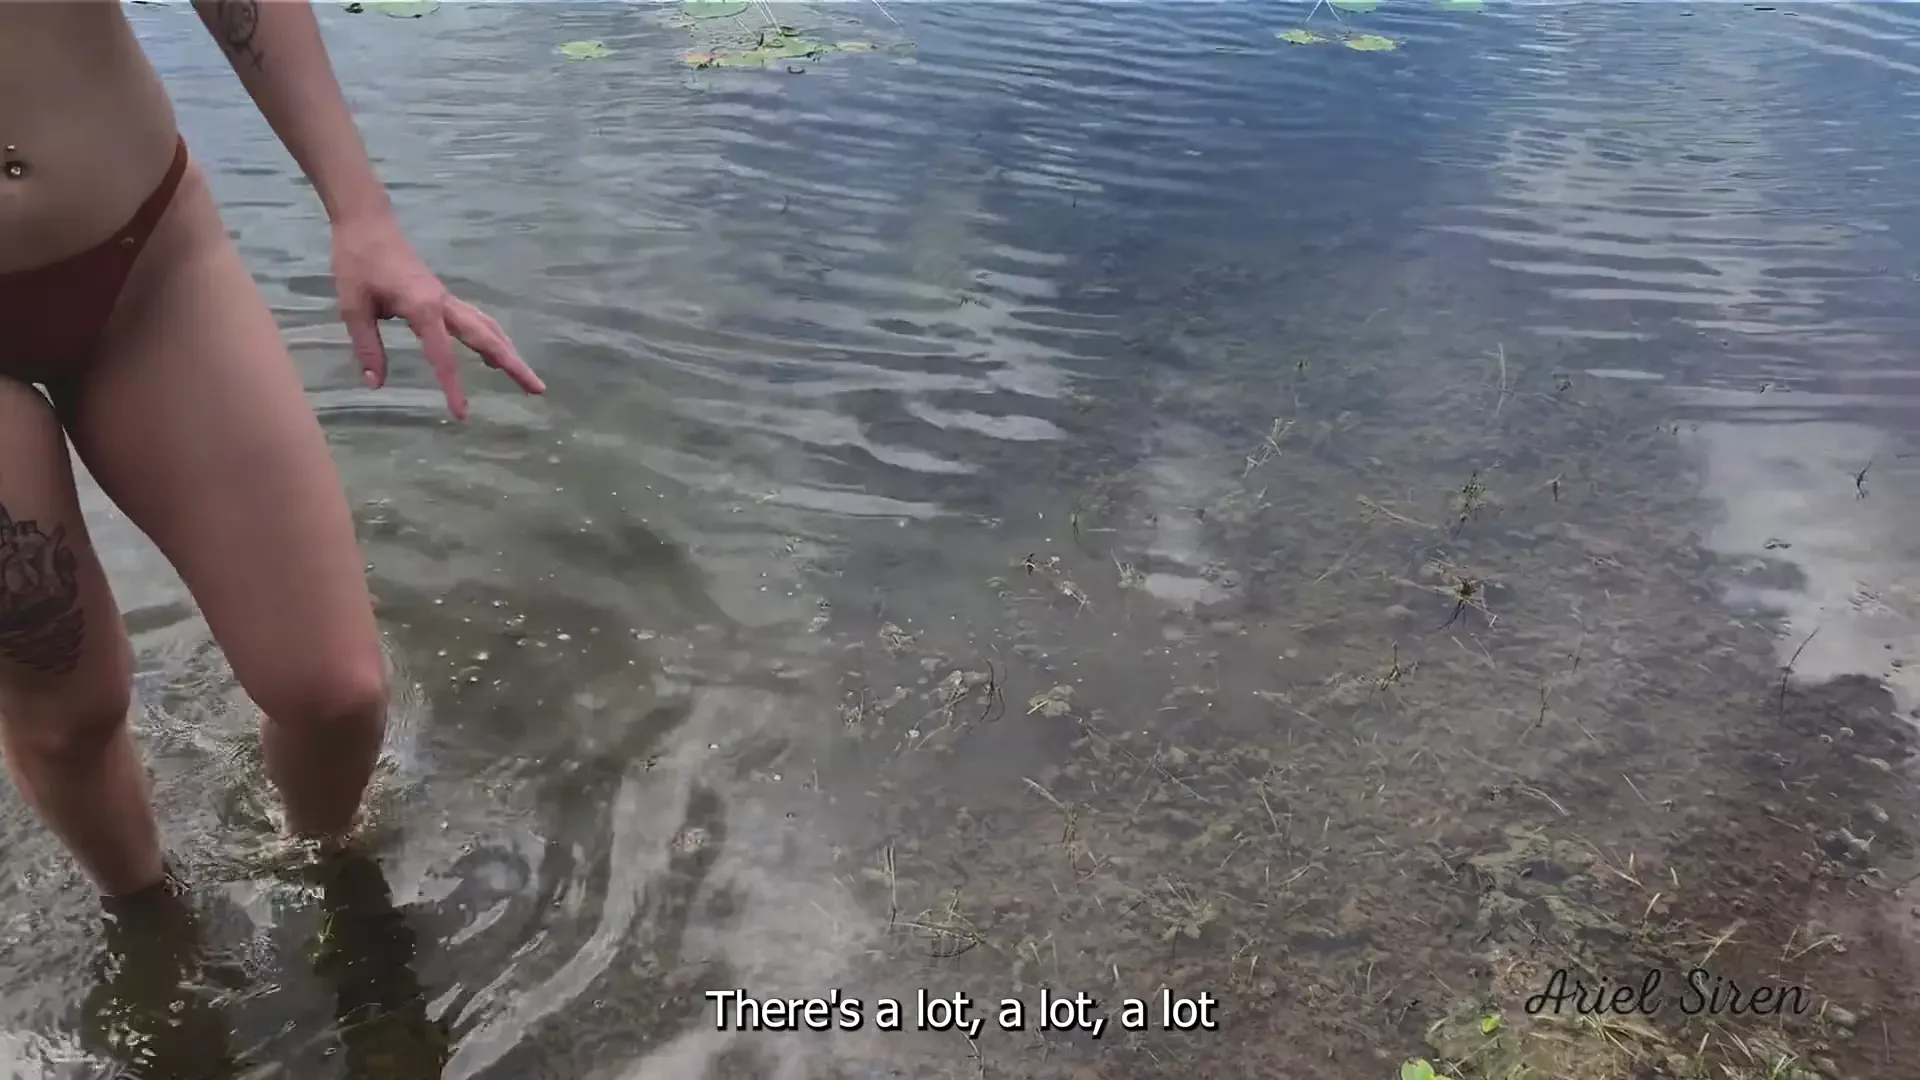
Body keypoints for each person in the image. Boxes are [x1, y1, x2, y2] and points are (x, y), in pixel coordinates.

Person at [0, 0, 544, 900]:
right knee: (69, 714)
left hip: (139, 255)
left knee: (335, 694)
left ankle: (331, 882)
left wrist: (360, 213)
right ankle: (149, 918)